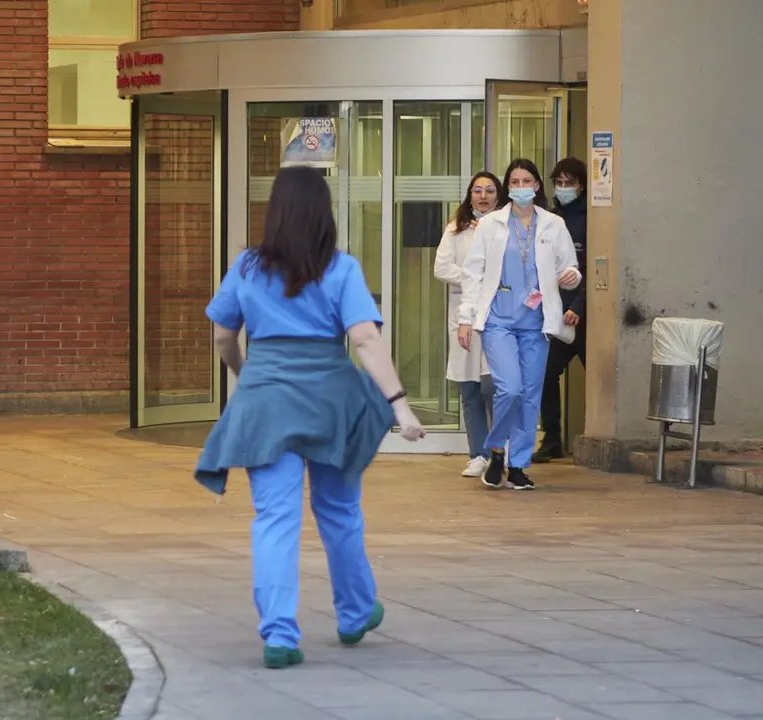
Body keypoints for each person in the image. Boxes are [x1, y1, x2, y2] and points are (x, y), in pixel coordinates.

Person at [193, 166, 426, 670]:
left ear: (275, 211)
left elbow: (222, 337)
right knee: (339, 511)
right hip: (330, 401)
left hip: (266, 403)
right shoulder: (340, 269)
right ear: (324, 214)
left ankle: (279, 635)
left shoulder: (247, 268)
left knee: (275, 520)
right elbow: (364, 338)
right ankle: (354, 612)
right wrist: (398, 404)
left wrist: (247, 375)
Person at [456, 158, 581, 491]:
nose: (521, 187)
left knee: (529, 395)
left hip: (536, 323)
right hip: (498, 320)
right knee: (509, 388)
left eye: (527, 181)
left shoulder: (553, 225)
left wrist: (571, 277)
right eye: (515, 181)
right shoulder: (492, 225)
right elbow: (473, 274)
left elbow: (570, 269)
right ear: (508, 187)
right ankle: (496, 449)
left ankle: (518, 464)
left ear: (537, 186)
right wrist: (465, 319)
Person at [434, 171, 500, 478]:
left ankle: (501, 451)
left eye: (489, 190)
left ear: (498, 195)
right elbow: (442, 266)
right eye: (477, 190)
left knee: (493, 387)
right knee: (469, 389)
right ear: (469, 195)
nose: (483, 196)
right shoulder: (456, 229)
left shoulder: (506, 227)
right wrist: (474, 279)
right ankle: (478, 454)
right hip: (462, 316)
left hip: (496, 315)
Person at [532, 157, 589, 463]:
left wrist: (579, 305)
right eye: (560, 183)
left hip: (584, 318)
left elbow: (593, 267)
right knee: (546, 374)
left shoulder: (590, 219)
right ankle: (552, 438)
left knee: (597, 376)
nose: (564, 188)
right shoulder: (551, 221)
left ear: (582, 186)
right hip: (558, 316)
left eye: (571, 183)